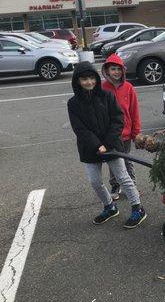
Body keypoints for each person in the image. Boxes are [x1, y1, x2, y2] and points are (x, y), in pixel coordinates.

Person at [67, 61, 147, 228]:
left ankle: (138, 209)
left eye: (91, 78)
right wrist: (97, 145)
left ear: (96, 78)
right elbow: (79, 128)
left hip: (111, 145)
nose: (89, 82)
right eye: (84, 79)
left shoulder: (107, 96)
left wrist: (108, 143)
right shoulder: (73, 103)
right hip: (89, 148)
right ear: (77, 81)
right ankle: (109, 206)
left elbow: (118, 120)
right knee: (95, 182)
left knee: (123, 177)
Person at [101, 54, 141, 200]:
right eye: (113, 69)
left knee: (127, 160)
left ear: (123, 70)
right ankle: (115, 184)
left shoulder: (129, 88)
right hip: (110, 134)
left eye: (119, 69)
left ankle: (132, 185)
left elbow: (134, 111)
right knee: (113, 161)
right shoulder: (102, 88)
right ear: (107, 70)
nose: (116, 72)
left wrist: (135, 132)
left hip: (125, 134)